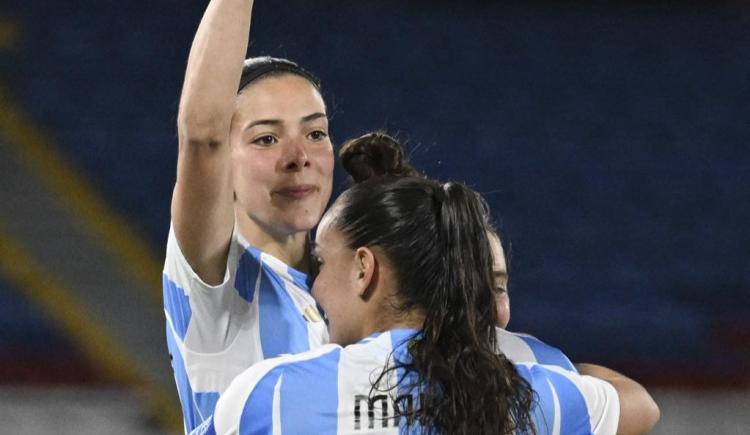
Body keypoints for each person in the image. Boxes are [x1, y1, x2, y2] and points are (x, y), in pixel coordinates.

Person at [199, 170, 659, 434]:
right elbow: (640, 407)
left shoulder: (272, 394)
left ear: (364, 268)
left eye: (321, 263)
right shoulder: (532, 394)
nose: (315, 287)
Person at [162, 0, 332, 431]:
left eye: (315, 133)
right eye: (266, 139)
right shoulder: (215, 283)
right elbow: (202, 134)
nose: (299, 157)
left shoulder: (349, 286)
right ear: (225, 162)